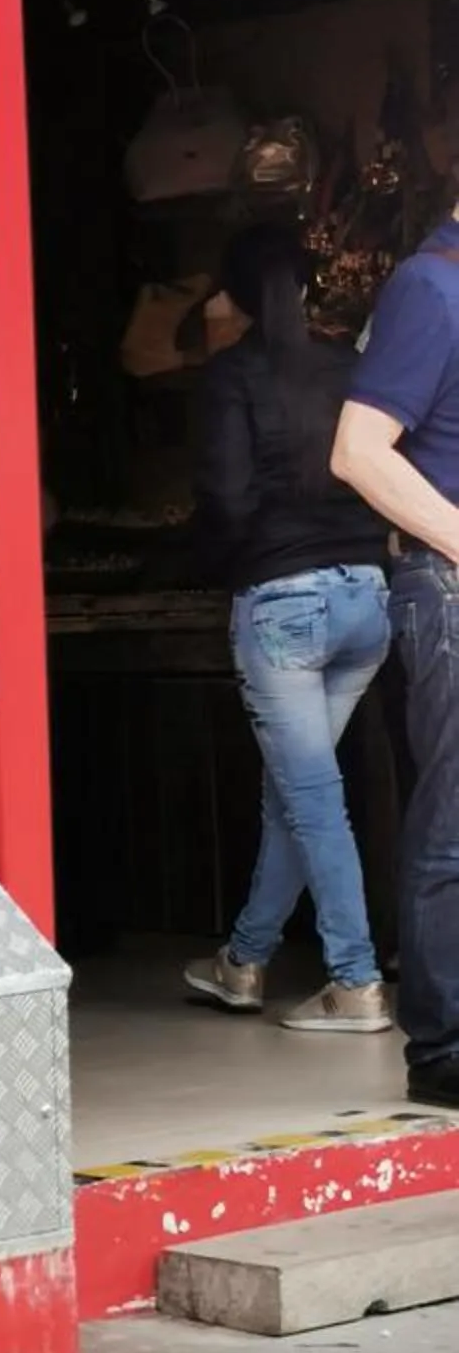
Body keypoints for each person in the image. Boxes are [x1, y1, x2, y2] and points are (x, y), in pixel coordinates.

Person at [184, 224, 391, 1033]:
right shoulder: (350, 368)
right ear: (307, 287)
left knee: (311, 799)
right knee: (294, 794)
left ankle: (355, 981)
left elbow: (227, 497)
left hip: (284, 608)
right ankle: (244, 961)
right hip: (367, 600)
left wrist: (217, 563)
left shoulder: (229, 377)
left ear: (232, 298)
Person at [333, 203, 459, 1102]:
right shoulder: (430, 287)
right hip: (448, 586)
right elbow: (357, 452)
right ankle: (444, 1048)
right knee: (453, 824)